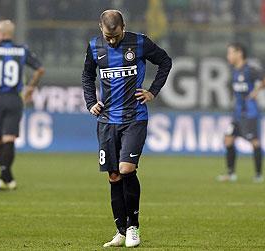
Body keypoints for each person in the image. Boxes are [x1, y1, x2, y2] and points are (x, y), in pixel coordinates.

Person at [82, 10, 172, 248]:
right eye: (108, 36)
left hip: (134, 117)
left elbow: (165, 61)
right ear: (101, 28)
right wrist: (91, 102)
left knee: (126, 168)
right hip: (106, 121)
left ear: (124, 26)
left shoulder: (139, 42)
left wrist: (152, 91)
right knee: (114, 176)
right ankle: (120, 231)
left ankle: (133, 227)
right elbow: (87, 75)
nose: (112, 40)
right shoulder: (94, 46)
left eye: (116, 35)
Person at [0, 20, 45, 190]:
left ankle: (4, 176)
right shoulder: (22, 49)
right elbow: (40, 69)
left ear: (2, 33)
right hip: (14, 98)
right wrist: (30, 88)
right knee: (9, 139)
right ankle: (7, 176)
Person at [218, 42, 265, 183]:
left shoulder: (250, 69)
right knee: (228, 139)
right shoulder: (234, 70)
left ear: (239, 53)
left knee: (254, 142)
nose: (228, 56)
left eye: (230, 53)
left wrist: (256, 91)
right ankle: (231, 174)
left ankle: (258, 175)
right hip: (237, 113)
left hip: (250, 113)